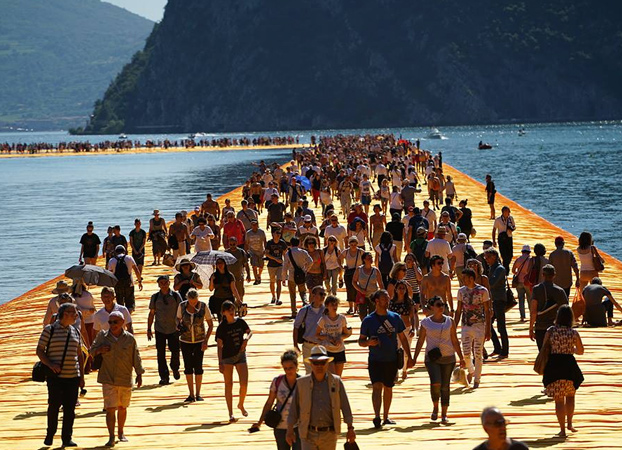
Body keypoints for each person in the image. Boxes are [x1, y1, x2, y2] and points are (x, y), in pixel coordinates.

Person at [359, 290, 414, 428]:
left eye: (388, 298)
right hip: (375, 359)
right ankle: (377, 416)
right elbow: (361, 341)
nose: (387, 301)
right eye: (384, 298)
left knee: (388, 387)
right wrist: (368, 343)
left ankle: (386, 416)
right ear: (376, 301)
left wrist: (410, 356)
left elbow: (403, 338)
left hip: (391, 359)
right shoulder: (368, 320)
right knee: (377, 386)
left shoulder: (395, 317)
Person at [90, 311, 144, 447]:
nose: (112, 325)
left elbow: (135, 356)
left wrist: (139, 373)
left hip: (125, 377)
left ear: (122, 323)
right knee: (110, 408)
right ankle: (111, 436)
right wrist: (100, 350)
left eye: (115, 322)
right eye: (110, 322)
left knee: (122, 407)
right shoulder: (102, 336)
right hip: (108, 377)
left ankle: (121, 432)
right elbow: (91, 351)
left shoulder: (130, 339)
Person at [286, 345, 356, 450]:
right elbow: (294, 409)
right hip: (308, 434)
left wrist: (350, 428)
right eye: (316, 363)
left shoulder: (336, 382)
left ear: (327, 363)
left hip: (329, 434)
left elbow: (345, 406)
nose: (319, 366)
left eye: (322, 363)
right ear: (311, 364)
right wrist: (290, 430)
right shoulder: (301, 383)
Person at [36, 303, 85, 448]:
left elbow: (80, 355)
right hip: (55, 377)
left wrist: (81, 377)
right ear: (64, 314)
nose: (76, 316)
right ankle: (50, 434)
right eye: (73, 313)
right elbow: (39, 350)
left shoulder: (75, 331)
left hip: (73, 376)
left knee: (70, 409)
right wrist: (50, 364)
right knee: (54, 406)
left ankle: (67, 437)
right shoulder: (49, 330)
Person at [413, 297, 466, 423]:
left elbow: (454, 340)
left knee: (445, 386)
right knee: (435, 383)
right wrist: (414, 357)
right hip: (432, 358)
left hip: (448, 357)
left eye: (443, 304)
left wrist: (461, 357)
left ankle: (444, 414)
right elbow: (420, 341)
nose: (441, 307)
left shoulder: (450, 321)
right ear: (432, 307)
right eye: (438, 304)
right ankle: (435, 407)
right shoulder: (426, 322)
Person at [542, 305, 584, 437]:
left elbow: (544, 348)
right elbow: (581, 351)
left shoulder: (551, 331)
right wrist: (571, 349)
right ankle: (570, 423)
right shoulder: (573, 333)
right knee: (570, 396)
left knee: (559, 400)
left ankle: (562, 430)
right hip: (569, 366)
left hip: (554, 365)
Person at [251, 350, 301, 450]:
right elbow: (269, 402)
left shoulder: (303, 382)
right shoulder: (277, 381)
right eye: (285, 368)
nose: (288, 371)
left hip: (298, 426)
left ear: (297, 366)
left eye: (291, 368)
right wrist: (260, 422)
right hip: (280, 426)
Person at [454, 268, 491, 388]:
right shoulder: (461, 291)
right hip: (465, 325)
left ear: (471, 278)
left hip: (479, 325)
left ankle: (477, 379)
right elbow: (459, 310)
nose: (463, 280)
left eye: (464, 278)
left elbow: (487, 310)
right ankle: (471, 371)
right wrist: (454, 327)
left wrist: (488, 329)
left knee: (478, 352)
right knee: (466, 353)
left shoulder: (482, 291)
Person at [216, 300, 252, 422]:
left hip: (240, 354)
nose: (232, 312)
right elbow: (219, 346)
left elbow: (249, 332)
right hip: (227, 357)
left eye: (232, 309)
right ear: (224, 312)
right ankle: (230, 413)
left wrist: (246, 339)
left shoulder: (240, 322)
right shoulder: (222, 327)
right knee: (228, 384)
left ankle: (241, 404)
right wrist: (220, 362)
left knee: (244, 383)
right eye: (229, 310)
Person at [176, 289, 213, 402]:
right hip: (185, 341)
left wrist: (206, 340)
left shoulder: (203, 307)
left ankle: (198, 393)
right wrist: (179, 325)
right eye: (191, 302)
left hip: (199, 340)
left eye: (195, 301)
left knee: (198, 366)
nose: (193, 304)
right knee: (188, 366)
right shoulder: (182, 306)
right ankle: (191, 394)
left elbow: (210, 324)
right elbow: (177, 319)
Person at [147, 275, 182, 385]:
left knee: (175, 351)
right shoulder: (155, 297)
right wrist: (148, 328)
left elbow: (182, 311)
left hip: (174, 328)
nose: (163, 284)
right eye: (161, 282)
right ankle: (164, 376)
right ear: (158, 284)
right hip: (160, 328)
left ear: (169, 283)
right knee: (160, 353)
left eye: (165, 282)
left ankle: (175, 367)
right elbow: (152, 313)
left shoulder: (176, 296)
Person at [529, 265, 569, 350]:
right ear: (554, 275)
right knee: (555, 354)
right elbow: (566, 311)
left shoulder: (536, 289)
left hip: (540, 326)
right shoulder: (560, 291)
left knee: (542, 353)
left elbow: (533, 311)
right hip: (556, 328)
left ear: (543, 275)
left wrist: (531, 328)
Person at [293, 286, 327, 373]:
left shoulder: (327, 310)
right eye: (321, 294)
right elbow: (296, 327)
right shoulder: (305, 310)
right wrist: (295, 344)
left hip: (323, 345)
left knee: (322, 372)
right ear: (313, 295)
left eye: (324, 294)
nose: (323, 296)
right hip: (308, 346)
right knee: (309, 372)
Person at [388, 280, 418, 380]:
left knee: (406, 350)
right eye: (399, 288)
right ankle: (395, 371)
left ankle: (404, 369)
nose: (401, 290)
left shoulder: (409, 302)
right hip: (395, 330)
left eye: (403, 288)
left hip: (406, 329)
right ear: (396, 289)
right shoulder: (391, 303)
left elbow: (412, 316)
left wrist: (413, 328)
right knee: (395, 351)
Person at [315, 295, 351, 377]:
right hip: (328, 350)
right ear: (327, 306)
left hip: (340, 349)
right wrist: (327, 337)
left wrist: (340, 338)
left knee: (338, 377)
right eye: (332, 305)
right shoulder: (323, 319)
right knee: (332, 376)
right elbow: (317, 334)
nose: (334, 307)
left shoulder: (342, 318)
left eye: (336, 304)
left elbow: (346, 333)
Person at [484, 248, 509, 358]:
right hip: (493, 299)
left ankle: (504, 350)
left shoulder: (499, 269)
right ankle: (498, 347)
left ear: (494, 257)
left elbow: (492, 283)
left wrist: (483, 281)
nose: (486, 259)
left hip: (498, 300)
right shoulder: (493, 268)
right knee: (488, 323)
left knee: (501, 326)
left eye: (488, 257)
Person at [283, 237, 313, 318]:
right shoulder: (303, 252)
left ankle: (294, 312)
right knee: (303, 293)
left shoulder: (288, 253)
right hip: (301, 275)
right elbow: (310, 261)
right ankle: (306, 307)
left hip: (292, 276)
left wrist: (283, 278)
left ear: (291, 244)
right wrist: (306, 270)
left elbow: (285, 266)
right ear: (299, 243)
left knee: (292, 295)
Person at [107, 245, 142, 313]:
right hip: (129, 284)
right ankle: (129, 315)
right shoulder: (129, 258)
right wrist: (139, 281)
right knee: (129, 303)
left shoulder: (112, 260)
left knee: (120, 303)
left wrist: (110, 285)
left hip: (117, 284)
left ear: (115, 252)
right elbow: (136, 270)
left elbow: (110, 274)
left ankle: (121, 318)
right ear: (124, 251)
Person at [209, 257, 243, 321]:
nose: (220, 265)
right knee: (220, 318)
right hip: (218, 299)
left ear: (225, 264)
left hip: (228, 298)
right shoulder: (214, 275)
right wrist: (212, 280)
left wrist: (238, 299)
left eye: (221, 263)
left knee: (230, 317)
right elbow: (211, 289)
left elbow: (233, 288)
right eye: (218, 263)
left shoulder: (229, 275)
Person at [353, 251, 384, 320]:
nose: (371, 260)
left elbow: (380, 284)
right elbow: (354, 282)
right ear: (364, 260)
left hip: (373, 296)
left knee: (373, 315)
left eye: (371, 258)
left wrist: (382, 295)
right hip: (362, 296)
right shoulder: (359, 270)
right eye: (368, 258)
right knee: (362, 314)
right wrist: (360, 290)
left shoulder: (376, 270)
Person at [340, 237, 364, 315]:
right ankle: (350, 307)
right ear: (349, 244)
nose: (353, 246)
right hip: (348, 273)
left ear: (357, 244)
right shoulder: (346, 252)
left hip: (358, 274)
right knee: (349, 290)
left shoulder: (361, 252)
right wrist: (341, 266)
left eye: (355, 244)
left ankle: (356, 309)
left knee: (357, 291)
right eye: (351, 244)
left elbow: (368, 258)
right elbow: (339, 258)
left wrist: (363, 267)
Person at [576, 231, 605, 297]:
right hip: (592, 272)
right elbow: (601, 259)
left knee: (582, 293)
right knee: (596, 291)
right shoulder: (592, 248)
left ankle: (583, 304)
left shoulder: (578, 249)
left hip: (583, 272)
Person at [266, 228, 289, 305]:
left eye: (279, 233)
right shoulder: (269, 243)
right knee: (272, 282)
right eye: (277, 233)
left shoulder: (282, 243)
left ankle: (278, 298)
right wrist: (275, 259)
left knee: (279, 281)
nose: (278, 235)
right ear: (273, 234)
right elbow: (266, 254)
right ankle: (273, 296)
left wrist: (286, 262)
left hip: (280, 265)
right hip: (271, 265)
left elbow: (285, 253)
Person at [225, 236, 251, 304]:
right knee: (229, 294)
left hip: (239, 277)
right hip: (229, 278)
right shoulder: (226, 253)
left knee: (240, 293)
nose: (232, 246)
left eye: (234, 244)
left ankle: (239, 306)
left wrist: (248, 275)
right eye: (231, 244)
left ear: (237, 243)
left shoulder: (241, 252)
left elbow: (246, 264)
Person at [511, 245, 532, 322]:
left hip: (519, 282)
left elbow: (513, 270)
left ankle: (522, 317)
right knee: (530, 299)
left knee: (521, 299)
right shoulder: (530, 260)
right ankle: (531, 315)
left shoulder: (518, 259)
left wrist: (518, 273)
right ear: (529, 252)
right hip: (527, 282)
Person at [492, 206, 516, 273]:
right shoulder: (498, 220)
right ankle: (505, 270)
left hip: (509, 237)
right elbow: (494, 230)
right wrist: (494, 241)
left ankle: (504, 267)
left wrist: (511, 229)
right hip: (501, 239)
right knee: (504, 255)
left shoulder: (511, 218)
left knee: (510, 255)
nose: (509, 213)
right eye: (508, 211)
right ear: (503, 212)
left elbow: (514, 226)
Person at [245, 219, 267, 285]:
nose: (254, 226)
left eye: (255, 225)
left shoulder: (261, 232)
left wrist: (265, 250)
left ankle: (259, 275)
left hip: (260, 251)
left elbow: (264, 241)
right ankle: (256, 279)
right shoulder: (248, 233)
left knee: (261, 266)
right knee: (254, 266)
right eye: (253, 225)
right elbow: (246, 243)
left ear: (257, 225)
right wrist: (246, 251)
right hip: (252, 252)